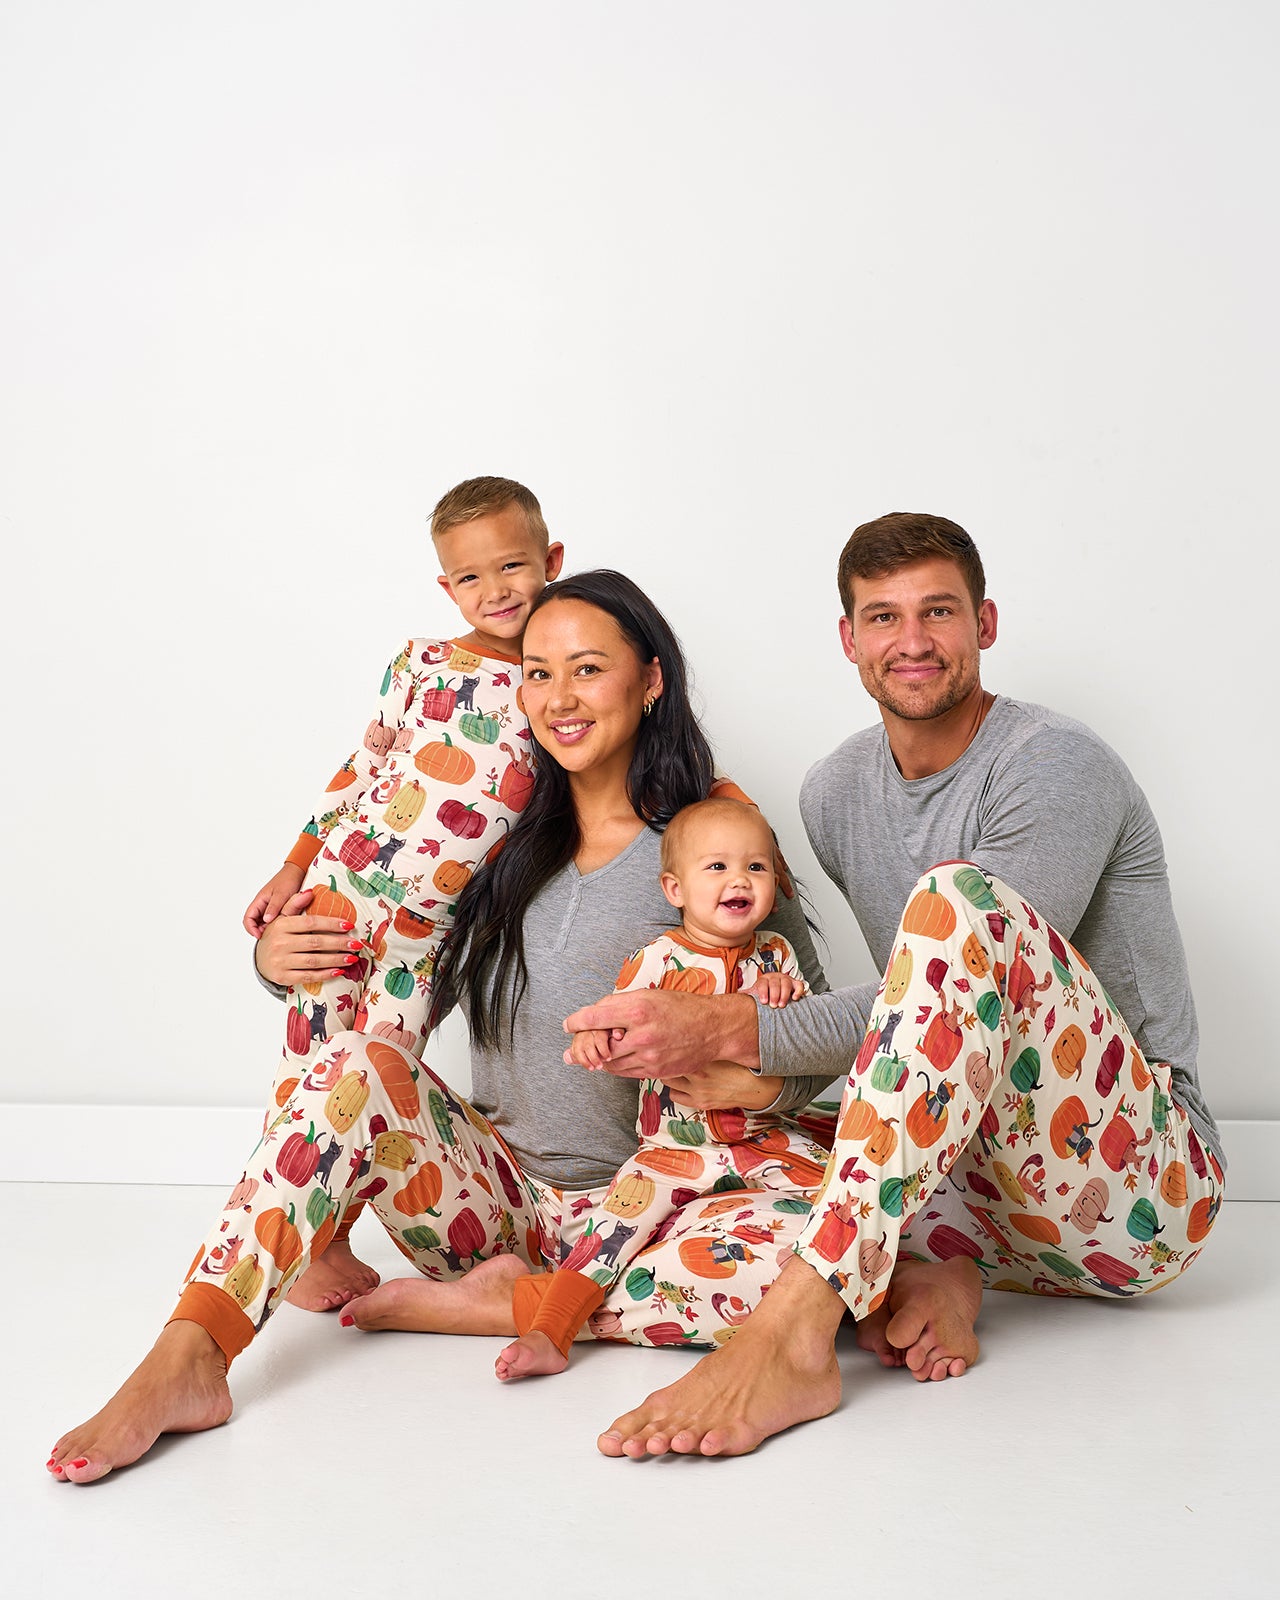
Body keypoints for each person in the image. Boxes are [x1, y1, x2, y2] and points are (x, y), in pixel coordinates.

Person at [47, 571, 836, 1485]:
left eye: (587, 669)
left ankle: (511, 1307)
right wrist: (276, 961)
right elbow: (378, 941)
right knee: (365, 1060)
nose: (558, 699)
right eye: (537, 674)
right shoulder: (496, 834)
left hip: (658, 1212)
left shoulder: (713, 839)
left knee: (817, 1260)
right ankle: (191, 1352)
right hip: (489, 1204)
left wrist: (741, 1064)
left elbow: (814, 1030)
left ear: (651, 679)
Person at [565, 513, 1225, 1459]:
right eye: (882, 618)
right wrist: (734, 1063)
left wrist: (731, 1028)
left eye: (938, 613)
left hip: (1142, 1187)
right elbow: (907, 1027)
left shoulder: (1054, 763)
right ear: (849, 640)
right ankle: (938, 1276)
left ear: (985, 624)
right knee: (686, 1206)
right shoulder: (834, 792)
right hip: (964, 1183)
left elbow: (962, 979)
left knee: (958, 901)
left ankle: (799, 1328)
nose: (911, 642)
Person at [239, 475, 565, 1312]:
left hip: (429, 936)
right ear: (446, 586)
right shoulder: (420, 661)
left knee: (377, 1079)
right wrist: (291, 868)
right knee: (309, 1071)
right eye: (470, 578)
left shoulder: (553, 677)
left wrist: (726, 797)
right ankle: (317, 1242)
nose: (494, 592)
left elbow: (640, 751)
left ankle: (336, 1223)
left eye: (513, 567)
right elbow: (361, 768)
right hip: (343, 891)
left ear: (551, 561)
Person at [494, 795, 826, 1382]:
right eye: (716, 867)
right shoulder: (657, 960)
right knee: (617, 1223)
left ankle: (881, 1297)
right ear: (674, 890)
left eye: (756, 867)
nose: (739, 880)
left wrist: (785, 993)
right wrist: (594, 1043)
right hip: (673, 1149)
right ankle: (551, 1327)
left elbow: (808, 1032)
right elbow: (608, 1024)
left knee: (850, 1195)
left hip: (763, 1135)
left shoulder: (778, 954)